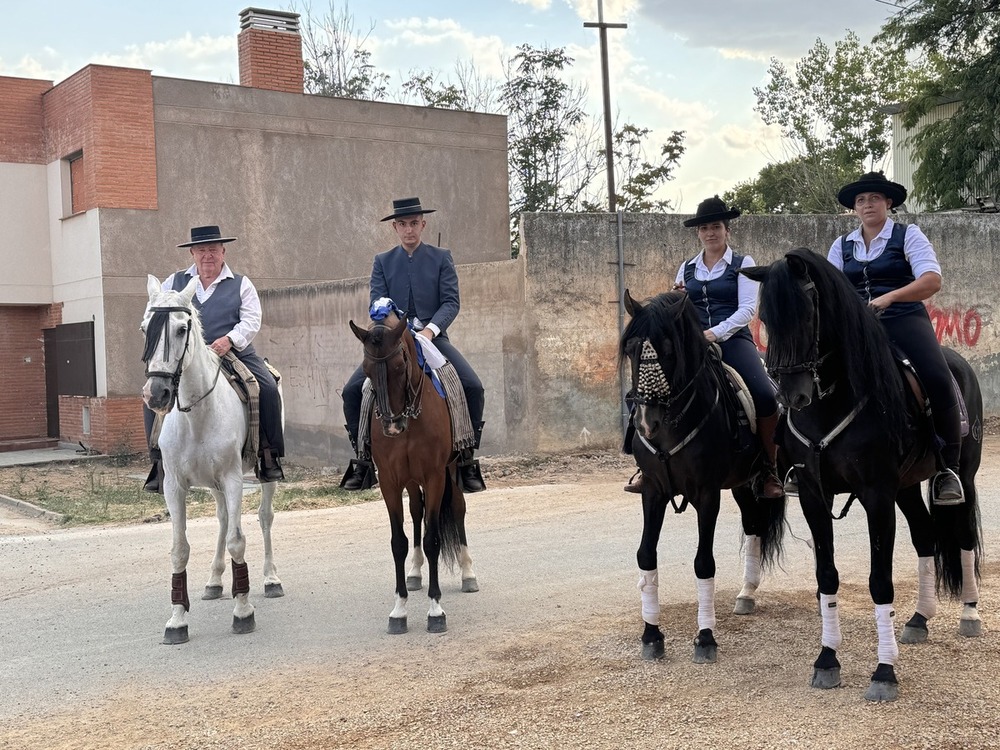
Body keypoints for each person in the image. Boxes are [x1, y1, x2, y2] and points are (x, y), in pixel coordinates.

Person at [624, 196, 784, 499]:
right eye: (705, 228)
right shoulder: (686, 268)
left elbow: (748, 309)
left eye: (716, 227)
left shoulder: (742, 263)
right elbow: (674, 308)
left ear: (727, 230)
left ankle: (768, 468)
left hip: (733, 339)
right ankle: (646, 467)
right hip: (691, 344)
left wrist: (715, 332)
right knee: (645, 386)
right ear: (698, 233)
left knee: (763, 394)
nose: (710, 232)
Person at [828, 171, 963, 504]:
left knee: (937, 377)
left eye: (874, 198)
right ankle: (803, 459)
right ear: (854, 208)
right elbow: (830, 290)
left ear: (887, 202)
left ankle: (948, 468)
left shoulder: (907, 235)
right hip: (857, 329)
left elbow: (931, 281)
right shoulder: (841, 245)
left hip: (903, 319)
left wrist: (890, 297)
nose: (867, 204)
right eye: (861, 200)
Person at [340, 197, 486, 493]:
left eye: (414, 223)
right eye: (403, 224)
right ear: (395, 227)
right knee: (352, 391)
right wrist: (395, 329)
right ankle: (363, 460)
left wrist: (431, 330)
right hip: (394, 341)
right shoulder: (383, 261)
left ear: (423, 224)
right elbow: (377, 304)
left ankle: (467, 457)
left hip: (433, 338)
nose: (409, 230)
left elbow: (450, 302)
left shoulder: (441, 257)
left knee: (472, 386)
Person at [143, 225, 285, 492]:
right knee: (152, 391)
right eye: (201, 250)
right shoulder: (173, 282)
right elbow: (156, 314)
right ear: (193, 254)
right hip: (184, 354)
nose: (207, 255)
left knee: (265, 387)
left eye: (212, 250)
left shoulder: (241, 283)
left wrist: (230, 339)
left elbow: (252, 320)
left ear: (223, 251)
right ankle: (158, 462)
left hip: (231, 350)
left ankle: (268, 455)